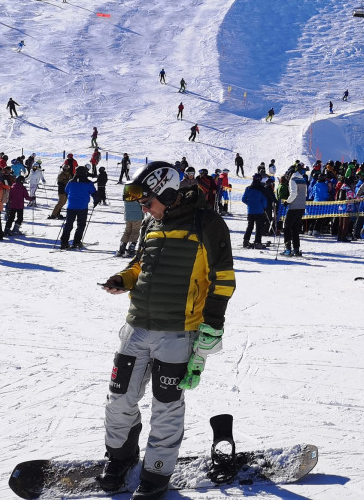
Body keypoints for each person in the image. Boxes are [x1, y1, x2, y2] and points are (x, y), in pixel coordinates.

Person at [98, 162, 235, 500]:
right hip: (136, 326)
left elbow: (223, 280)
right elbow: (140, 263)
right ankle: (120, 458)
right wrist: (123, 279)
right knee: (119, 399)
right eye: (142, 203)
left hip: (178, 333)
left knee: (167, 406)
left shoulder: (208, 223)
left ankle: (156, 475)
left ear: (170, 194)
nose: (144, 208)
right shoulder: (152, 223)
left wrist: (212, 327)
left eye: (148, 201)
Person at [60, 166, 96, 249]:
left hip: (71, 206)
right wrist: (96, 201)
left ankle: (64, 242)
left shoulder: (70, 182)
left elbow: (66, 191)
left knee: (68, 224)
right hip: (82, 207)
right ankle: (76, 242)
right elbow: (94, 193)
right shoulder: (88, 183)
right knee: (81, 225)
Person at [281, 166, 308, 257]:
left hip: (294, 207)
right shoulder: (303, 180)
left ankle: (288, 249)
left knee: (287, 227)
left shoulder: (293, 180)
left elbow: (293, 193)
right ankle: (296, 249)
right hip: (302, 207)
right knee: (295, 228)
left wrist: (287, 202)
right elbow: (305, 194)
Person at [241, 175, 268, 249]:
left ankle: (245, 241)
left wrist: (249, 204)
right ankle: (257, 242)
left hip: (250, 210)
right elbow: (264, 200)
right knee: (259, 227)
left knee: (250, 226)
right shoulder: (261, 189)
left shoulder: (248, 188)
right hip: (259, 210)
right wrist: (264, 207)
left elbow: (243, 199)